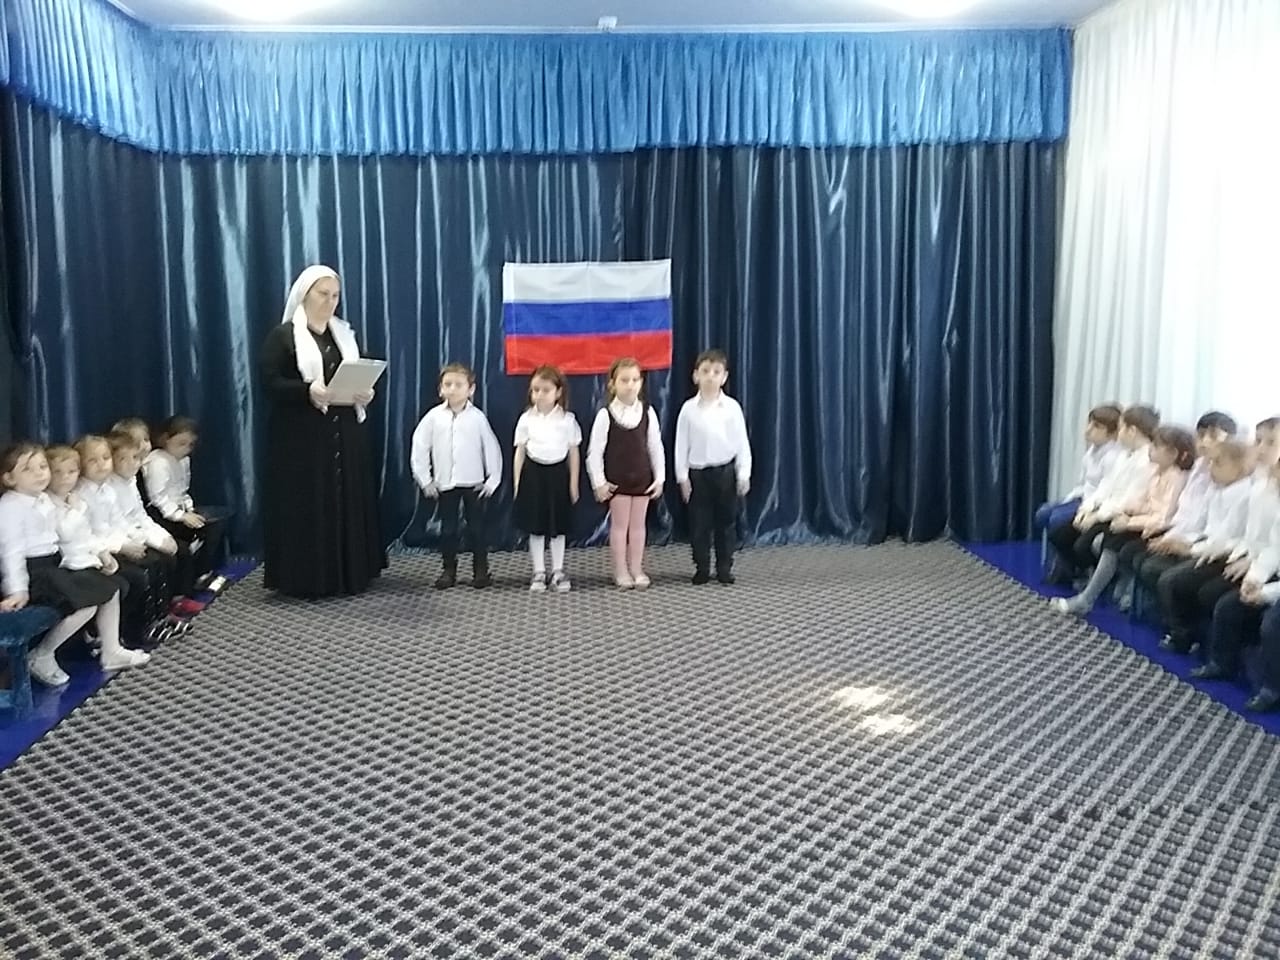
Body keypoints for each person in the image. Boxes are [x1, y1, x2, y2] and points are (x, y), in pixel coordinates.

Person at [259, 265, 386, 598]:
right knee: (310, 503)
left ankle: (350, 571)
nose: (330, 302)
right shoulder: (283, 336)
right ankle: (308, 578)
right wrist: (306, 391)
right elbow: (270, 383)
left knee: (345, 499)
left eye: (335, 296)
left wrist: (365, 392)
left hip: (344, 432)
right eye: (323, 294)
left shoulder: (344, 334)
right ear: (305, 295)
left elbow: (358, 370)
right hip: (301, 438)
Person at [0, 443, 146, 686]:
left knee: (109, 588)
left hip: (56, 565)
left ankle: (111, 650)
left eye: (42, 467)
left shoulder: (43, 499)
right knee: (87, 604)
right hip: (35, 573)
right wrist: (17, 590)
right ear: (9, 478)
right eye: (27, 469)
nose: (39, 473)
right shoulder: (9, 506)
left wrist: (96, 554)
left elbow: (69, 536)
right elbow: (11, 552)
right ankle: (41, 655)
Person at [1051, 426, 1194, 616]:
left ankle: (1087, 598)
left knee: (1115, 542)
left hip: (1156, 529)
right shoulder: (1156, 471)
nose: (1150, 449)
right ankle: (1100, 590)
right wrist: (1127, 513)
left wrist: (1130, 522)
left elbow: (1163, 517)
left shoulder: (1176, 478)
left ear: (1172, 453)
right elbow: (1142, 502)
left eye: (1156, 446)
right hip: (1141, 521)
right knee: (1107, 535)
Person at [76, 434, 187, 643]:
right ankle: (131, 630)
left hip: (116, 545)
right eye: (92, 460)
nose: (101, 465)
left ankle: (157, 618)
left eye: (105, 458)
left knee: (158, 561)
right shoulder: (81, 494)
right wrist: (122, 547)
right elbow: (86, 536)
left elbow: (121, 522)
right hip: (97, 553)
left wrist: (136, 542)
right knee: (139, 576)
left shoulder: (106, 489)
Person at [410, 363, 503, 589]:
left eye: (459, 385)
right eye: (448, 384)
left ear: (471, 389)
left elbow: (491, 448)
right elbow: (420, 446)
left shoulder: (477, 418)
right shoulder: (433, 418)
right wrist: (425, 479)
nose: (452, 389)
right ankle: (448, 570)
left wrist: (492, 479)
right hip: (445, 483)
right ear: (440, 389)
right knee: (448, 529)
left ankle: (481, 571)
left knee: (476, 529)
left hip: (473, 483)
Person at [1047, 404, 1159, 584]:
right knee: (1059, 534)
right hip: (1106, 509)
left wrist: (1097, 516)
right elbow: (1105, 487)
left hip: (1122, 515)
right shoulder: (1125, 454)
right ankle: (1086, 575)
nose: (1118, 433)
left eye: (1121, 428)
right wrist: (1087, 509)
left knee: (1082, 544)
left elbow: (1128, 501)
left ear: (1132, 431)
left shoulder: (1146, 461)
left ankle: (1102, 580)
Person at [674, 350, 752, 585]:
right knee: (699, 524)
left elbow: (741, 443)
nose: (710, 377)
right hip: (698, 475)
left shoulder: (732, 408)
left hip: (725, 473)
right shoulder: (688, 410)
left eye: (716, 372)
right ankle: (702, 567)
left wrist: (744, 473)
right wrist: (682, 477)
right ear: (695, 376)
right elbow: (681, 445)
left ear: (724, 377)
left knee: (726, 523)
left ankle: (724, 567)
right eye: (705, 371)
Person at [587, 358, 665, 590]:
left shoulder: (648, 412)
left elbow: (655, 446)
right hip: (617, 481)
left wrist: (659, 478)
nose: (630, 385)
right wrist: (599, 483)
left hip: (642, 479)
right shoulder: (606, 415)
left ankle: (637, 569)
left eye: (634, 380)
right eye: (624, 380)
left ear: (641, 383)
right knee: (620, 527)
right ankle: (620, 570)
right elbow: (594, 452)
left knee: (638, 526)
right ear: (612, 384)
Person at [512, 366, 581, 593]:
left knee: (557, 526)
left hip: (558, 476)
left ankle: (558, 571)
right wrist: (517, 482)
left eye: (546, 390)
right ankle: (539, 571)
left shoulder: (568, 420)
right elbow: (520, 452)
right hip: (533, 476)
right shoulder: (526, 419)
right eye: (535, 390)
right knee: (536, 526)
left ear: (558, 392)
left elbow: (573, 453)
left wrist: (573, 483)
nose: (539, 394)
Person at [143, 416, 227, 589]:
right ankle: (191, 581)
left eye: (190, 445)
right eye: (181, 443)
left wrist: (189, 509)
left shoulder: (184, 461)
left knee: (213, 525)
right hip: (160, 514)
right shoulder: (158, 462)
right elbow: (157, 498)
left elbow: (182, 490)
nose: (186, 449)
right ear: (165, 439)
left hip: (179, 510)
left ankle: (202, 573)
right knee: (199, 532)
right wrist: (181, 516)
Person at [1035, 404, 1122, 544]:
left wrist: (1086, 510)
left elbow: (1104, 492)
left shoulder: (1113, 457)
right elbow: (1082, 484)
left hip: (1095, 504)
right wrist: (1069, 499)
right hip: (1082, 498)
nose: (1088, 430)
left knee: (1057, 520)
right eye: (1089, 423)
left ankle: (1064, 557)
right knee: (1043, 513)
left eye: (1096, 426)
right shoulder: (1091, 451)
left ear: (1112, 433)